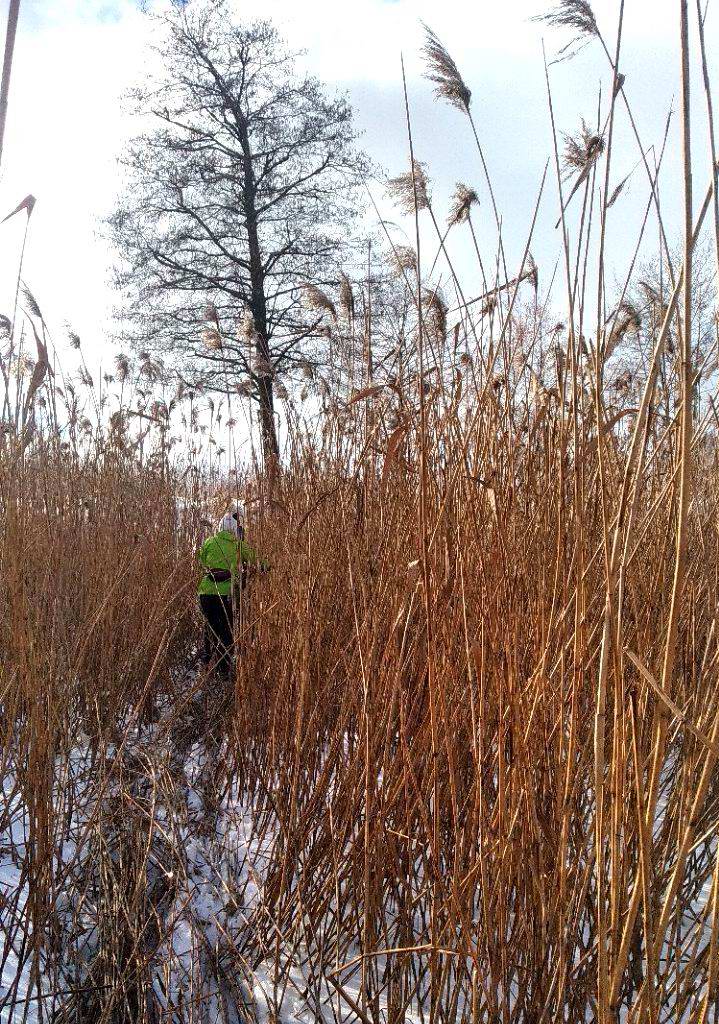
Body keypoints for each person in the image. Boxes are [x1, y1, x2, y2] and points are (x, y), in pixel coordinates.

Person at [197, 503, 268, 675]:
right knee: (226, 632)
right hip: (226, 595)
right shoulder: (238, 545)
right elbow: (260, 563)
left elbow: (201, 561)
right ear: (236, 529)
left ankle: (205, 665)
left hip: (205, 593)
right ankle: (224, 671)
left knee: (210, 628)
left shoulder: (209, 542)